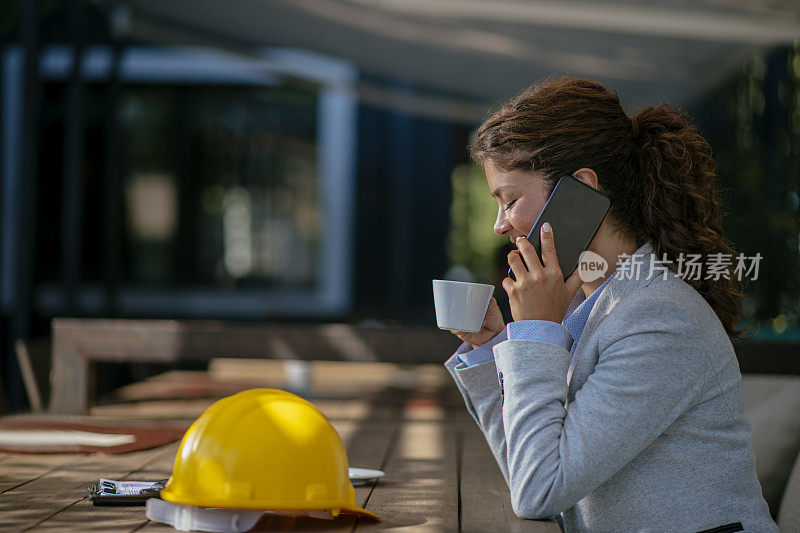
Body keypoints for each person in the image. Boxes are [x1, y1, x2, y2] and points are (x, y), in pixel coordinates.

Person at [445, 76, 778, 532]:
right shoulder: (589, 304)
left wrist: (536, 335)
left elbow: (538, 488)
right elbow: (534, 477)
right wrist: (492, 348)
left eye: (510, 200)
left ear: (580, 189)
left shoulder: (658, 317)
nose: (499, 224)